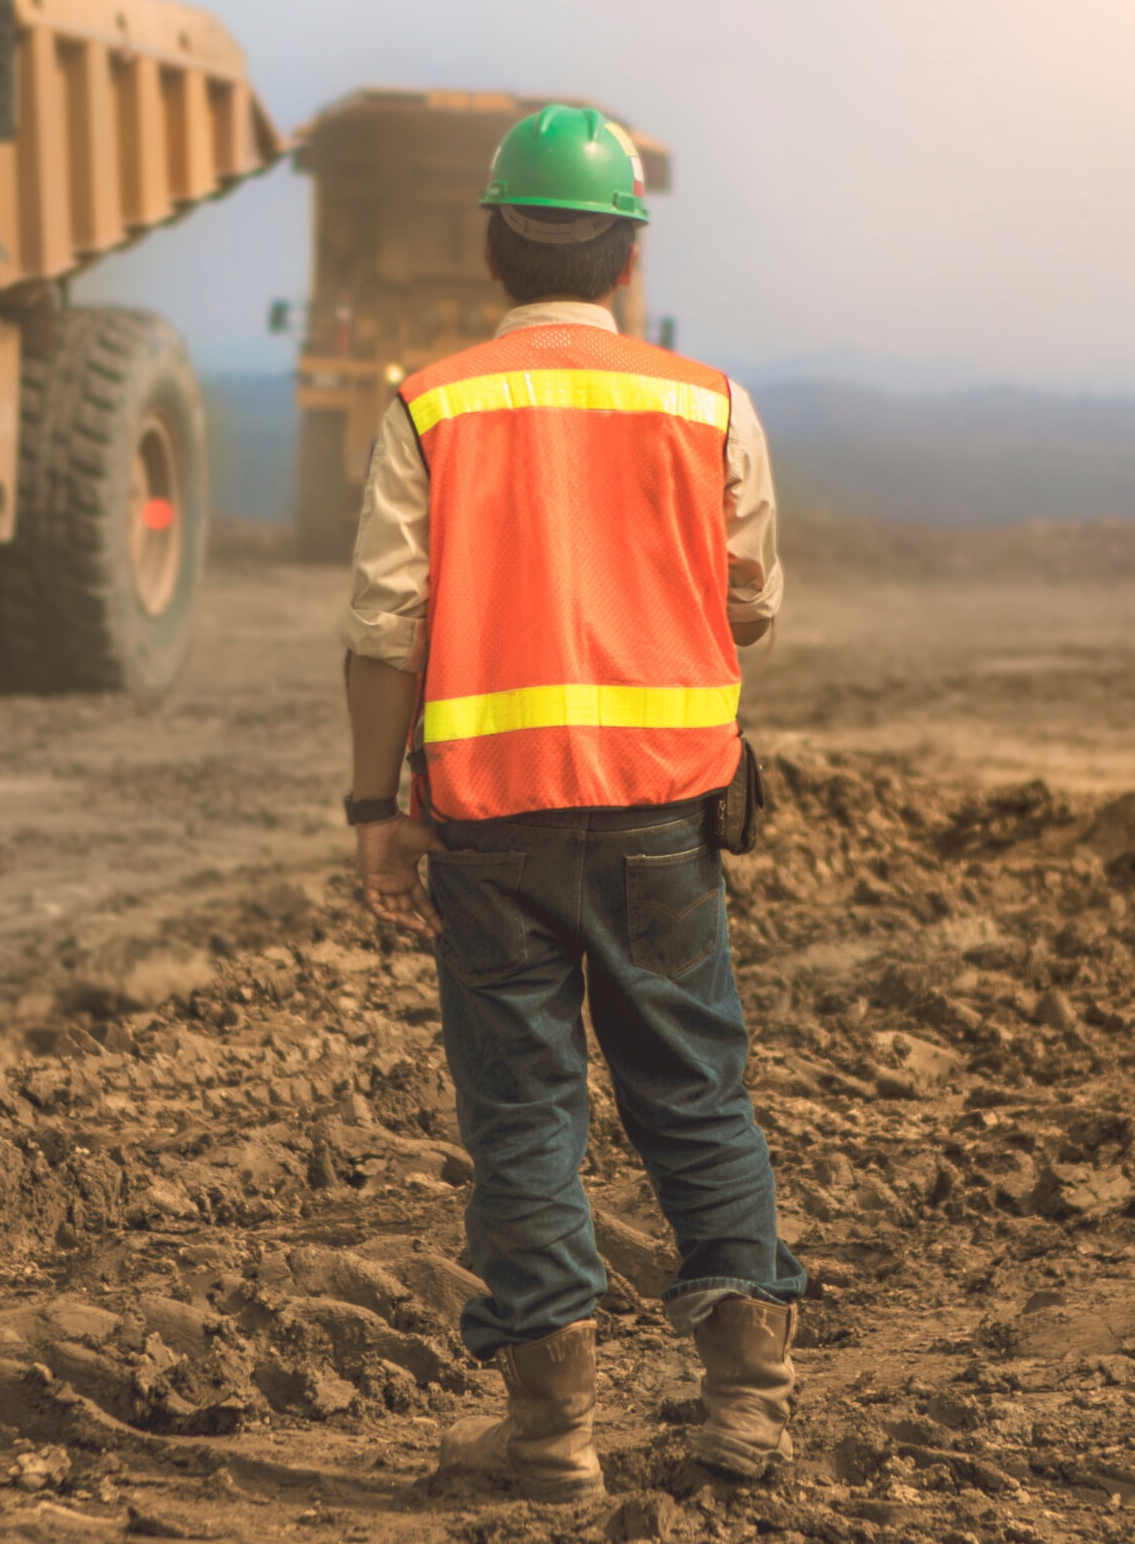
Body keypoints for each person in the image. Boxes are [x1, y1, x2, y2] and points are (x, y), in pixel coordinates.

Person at [339, 104, 805, 1504]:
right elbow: (754, 605)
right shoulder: (707, 404)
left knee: (527, 1121)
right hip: (667, 822)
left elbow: (384, 626)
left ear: (497, 244)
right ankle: (749, 1413)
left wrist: (378, 802)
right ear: (626, 256)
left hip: (492, 832)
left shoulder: (434, 404)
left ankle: (551, 1444)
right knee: (698, 1099)